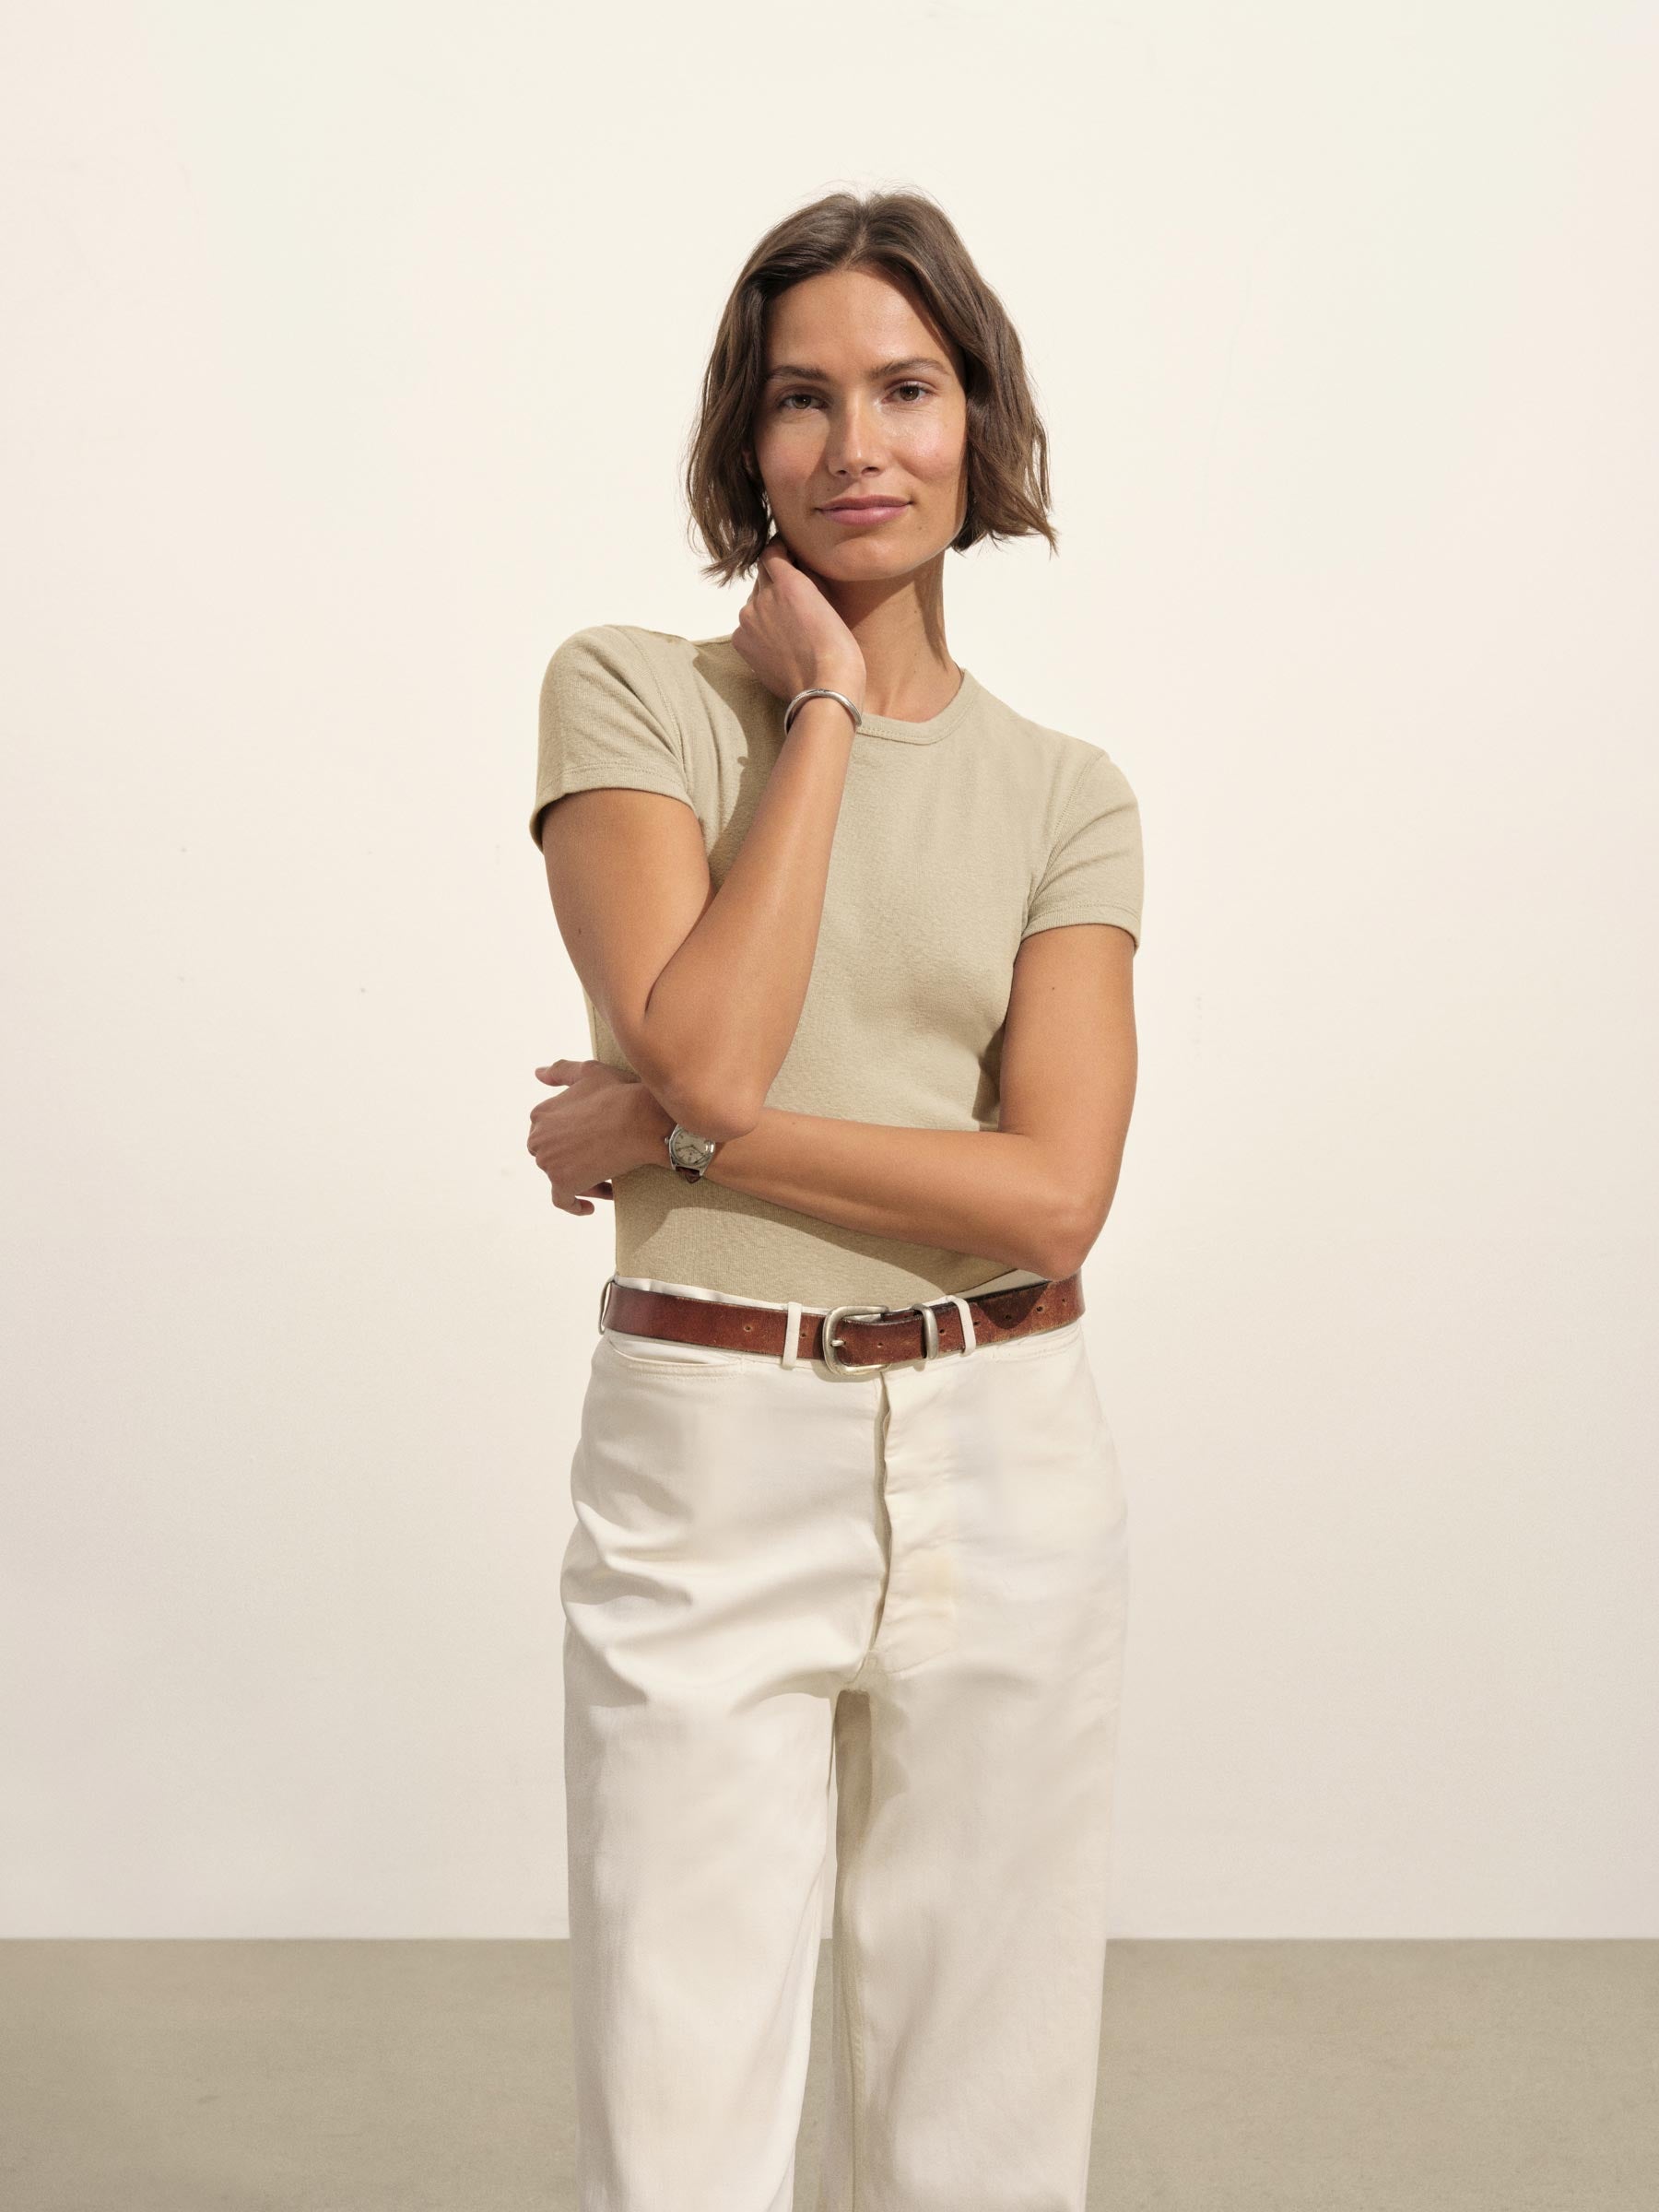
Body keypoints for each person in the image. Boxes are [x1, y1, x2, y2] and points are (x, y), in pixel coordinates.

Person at [526, 187, 1143, 2212]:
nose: (856, 444)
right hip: (713, 1451)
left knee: (987, 2119)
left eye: (907, 389)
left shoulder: (1066, 793)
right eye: (802, 399)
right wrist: (820, 719)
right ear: (745, 440)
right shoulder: (630, 696)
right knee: (679, 2098)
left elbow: (1052, 1200)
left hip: (1008, 1446)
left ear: (982, 426)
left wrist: (668, 1132)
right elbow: (711, 1044)